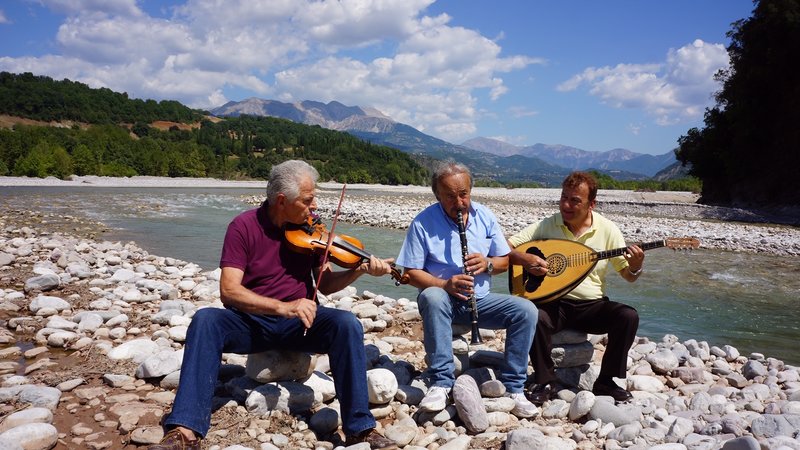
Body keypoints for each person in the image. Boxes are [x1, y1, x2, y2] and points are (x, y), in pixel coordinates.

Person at [149, 160, 398, 450]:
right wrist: (283, 307)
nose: (314, 207)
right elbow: (229, 291)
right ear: (282, 200)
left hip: (300, 325)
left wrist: (359, 270)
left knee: (346, 324)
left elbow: (326, 284)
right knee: (206, 320)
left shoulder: (311, 232)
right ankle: (185, 429)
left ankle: (360, 428)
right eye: (307, 200)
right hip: (252, 323)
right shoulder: (243, 226)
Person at [395, 161, 540, 418]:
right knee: (431, 295)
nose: (459, 202)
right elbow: (410, 272)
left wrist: (487, 264)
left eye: (464, 194)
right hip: (443, 301)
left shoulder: (485, 216)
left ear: (471, 191)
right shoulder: (423, 223)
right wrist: (444, 284)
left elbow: (504, 260)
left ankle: (514, 388)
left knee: (526, 310)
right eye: (450, 196)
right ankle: (441, 382)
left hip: (480, 300)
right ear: (437, 194)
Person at [507, 171, 644, 405]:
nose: (566, 205)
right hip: (554, 303)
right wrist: (527, 261)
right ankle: (544, 379)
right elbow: (507, 246)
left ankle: (607, 381)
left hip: (591, 306)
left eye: (574, 200)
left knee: (628, 316)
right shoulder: (549, 224)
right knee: (532, 315)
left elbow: (628, 276)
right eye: (563, 198)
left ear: (592, 204)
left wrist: (635, 265)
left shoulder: (608, 229)